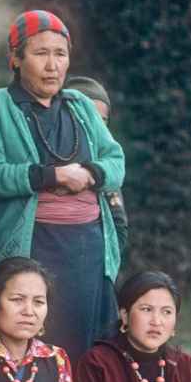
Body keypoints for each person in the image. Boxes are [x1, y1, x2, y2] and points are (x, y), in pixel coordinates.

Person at [0, 10, 125, 363]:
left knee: (87, 349)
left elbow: (116, 162)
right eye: (40, 54)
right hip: (34, 245)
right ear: (15, 58)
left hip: (88, 248)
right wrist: (54, 177)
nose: (52, 65)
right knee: (34, 340)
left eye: (60, 54)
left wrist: (88, 173)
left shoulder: (79, 106)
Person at [62, 75, 129, 264]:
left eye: (102, 120)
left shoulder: (106, 169)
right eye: (87, 118)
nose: (96, 127)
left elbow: (119, 227)